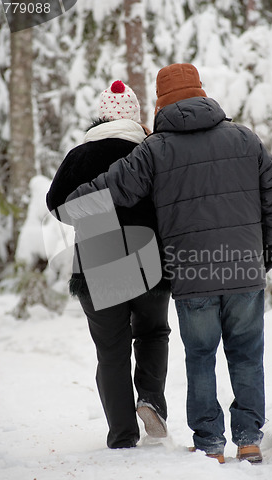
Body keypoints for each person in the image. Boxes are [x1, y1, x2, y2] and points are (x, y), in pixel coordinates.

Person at [64, 64, 272, 463]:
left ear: (161, 102)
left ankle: (210, 443)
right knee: (247, 354)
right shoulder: (245, 139)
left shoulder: (156, 149)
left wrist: (75, 203)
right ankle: (249, 438)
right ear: (201, 93)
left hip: (193, 271)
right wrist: (267, 250)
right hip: (244, 268)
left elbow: (117, 185)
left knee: (200, 355)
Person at [46, 80, 171, 449]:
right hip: (148, 257)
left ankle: (121, 434)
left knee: (112, 349)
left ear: (100, 116)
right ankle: (150, 399)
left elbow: (57, 205)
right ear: (135, 115)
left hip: (98, 260)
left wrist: (95, 216)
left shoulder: (79, 156)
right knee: (152, 333)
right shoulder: (150, 150)